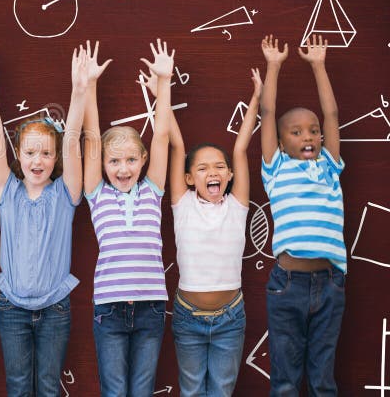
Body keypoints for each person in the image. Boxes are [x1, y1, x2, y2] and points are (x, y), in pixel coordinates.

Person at [0, 38, 88, 396]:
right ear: (18, 155)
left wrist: (79, 88)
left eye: (46, 153)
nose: (38, 160)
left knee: (49, 388)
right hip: (12, 307)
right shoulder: (6, 192)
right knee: (19, 386)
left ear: (56, 159)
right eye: (30, 152)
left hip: (55, 306)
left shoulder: (65, 194)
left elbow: (72, 140)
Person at [83, 39, 173, 397]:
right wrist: (89, 86)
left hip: (151, 306)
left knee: (141, 391)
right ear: (104, 165)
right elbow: (92, 138)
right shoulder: (97, 194)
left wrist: (164, 82)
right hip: (109, 308)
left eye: (131, 160)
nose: (123, 169)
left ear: (144, 160)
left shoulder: (153, 190)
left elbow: (163, 135)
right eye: (114, 161)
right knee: (115, 391)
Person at [165, 67, 262, 396]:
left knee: (221, 390)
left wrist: (257, 97)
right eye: (203, 168)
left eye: (219, 167)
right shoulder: (183, 205)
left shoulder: (236, 206)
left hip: (230, 318)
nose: (213, 172)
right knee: (191, 390)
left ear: (230, 175)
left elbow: (240, 148)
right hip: (188, 318)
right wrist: (162, 88)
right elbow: (177, 147)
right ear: (190, 178)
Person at [259, 34, 346, 396]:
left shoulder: (329, 165)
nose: (308, 136)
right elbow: (267, 114)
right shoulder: (276, 169)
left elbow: (332, 114)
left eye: (312, 132)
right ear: (281, 142)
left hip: (329, 283)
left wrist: (319, 65)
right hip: (288, 284)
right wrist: (274, 66)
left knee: (323, 379)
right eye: (296, 132)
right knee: (285, 381)